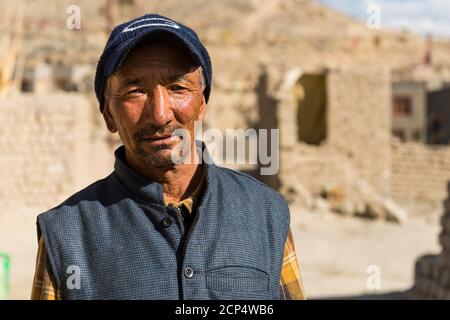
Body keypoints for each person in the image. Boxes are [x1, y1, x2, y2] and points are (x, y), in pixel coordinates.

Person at [31, 14, 306, 300]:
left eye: (177, 88)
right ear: (108, 114)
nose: (160, 115)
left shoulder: (265, 212)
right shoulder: (66, 234)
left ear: (202, 105)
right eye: (135, 91)